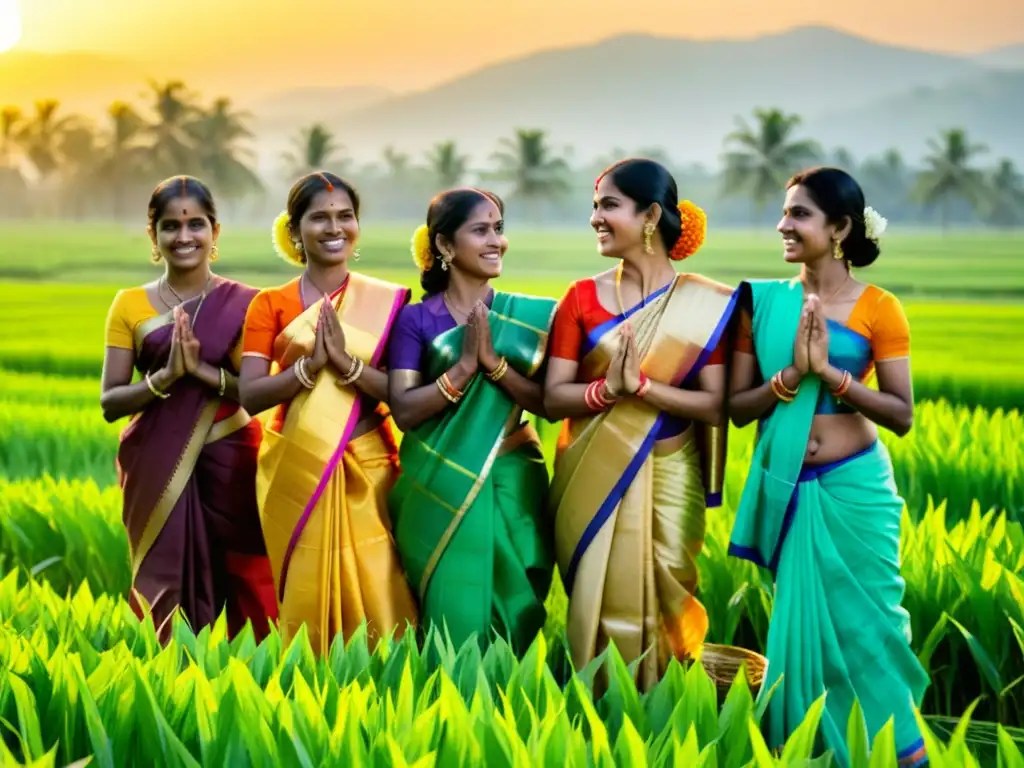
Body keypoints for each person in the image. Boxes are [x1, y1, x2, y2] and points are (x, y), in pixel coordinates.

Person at [727, 167, 929, 767]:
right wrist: (790, 377)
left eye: (800, 215)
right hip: (788, 489)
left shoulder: (879, 309)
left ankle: (897, 756)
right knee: (801, 636)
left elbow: (901, 414)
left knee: (869, 632)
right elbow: (737, 409)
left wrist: (830, 374)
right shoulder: (759, 304)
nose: (784, 225)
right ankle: (811, 754)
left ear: (839, 227)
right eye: (785, 213)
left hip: (855, 491)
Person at [544, 158, 738, 690]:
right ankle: (595, 715)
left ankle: (673, 712)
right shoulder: (581, 299)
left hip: (673, 472)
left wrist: (646, 390)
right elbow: (554, 397)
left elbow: (716, 405)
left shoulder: (706, 304)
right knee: (596, 598)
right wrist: (607, 390)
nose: (595, 218)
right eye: (594, 205)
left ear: (651, 214)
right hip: (592, 476)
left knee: (668, 595)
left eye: (608, 205)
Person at [238, 171, 418, 655]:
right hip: (296, 467)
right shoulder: (268, 305)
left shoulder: (388, 305)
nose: (334, 227)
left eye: (345, 216)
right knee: (306, 593)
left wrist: (345, 364)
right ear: (294, 231)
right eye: (319, 217)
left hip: (371, 465)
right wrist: (308, 368)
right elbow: (250, 395)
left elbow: (401, 398)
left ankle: (390, 695)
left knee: (382, 589)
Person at [101, 175, 277, 643]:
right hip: (155, 465)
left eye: (195, 224)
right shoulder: (129, 305)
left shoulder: (248, 303)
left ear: (214, 232)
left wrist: (201, 373)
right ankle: (170, 679)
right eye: (170, 227)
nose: (184, 237)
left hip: (232, 462)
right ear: (153, 237)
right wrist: (163, 379)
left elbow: (256, 393)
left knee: (245, 574)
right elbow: (110, 402)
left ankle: (254, 678)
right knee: (163, 585)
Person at [387, 187, 556, 654]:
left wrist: (496, 366)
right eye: (480, 230)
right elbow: (403, 409)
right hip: (440, 486)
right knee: (451, 619)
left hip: (512, 481)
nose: (495, 241)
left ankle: (511, 713)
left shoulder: (531, 317)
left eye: (499, 229)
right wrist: (463, 369)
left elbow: (550, 404)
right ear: (444, 246)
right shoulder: (416, 321)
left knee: (514, 612)